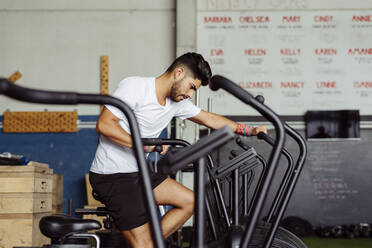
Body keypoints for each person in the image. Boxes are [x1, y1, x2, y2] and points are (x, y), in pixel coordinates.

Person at [89, 52, 267, 248]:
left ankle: (149, 242)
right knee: (144, 245)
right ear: (178, 73)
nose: (191, 95)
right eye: (192, 87)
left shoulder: (177, 103)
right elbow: (104, 125)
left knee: (191, 201)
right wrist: (145, 144)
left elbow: (208, 118)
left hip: (138, 173)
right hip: (112, 175)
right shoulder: (136, 87)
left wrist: (249, 130)